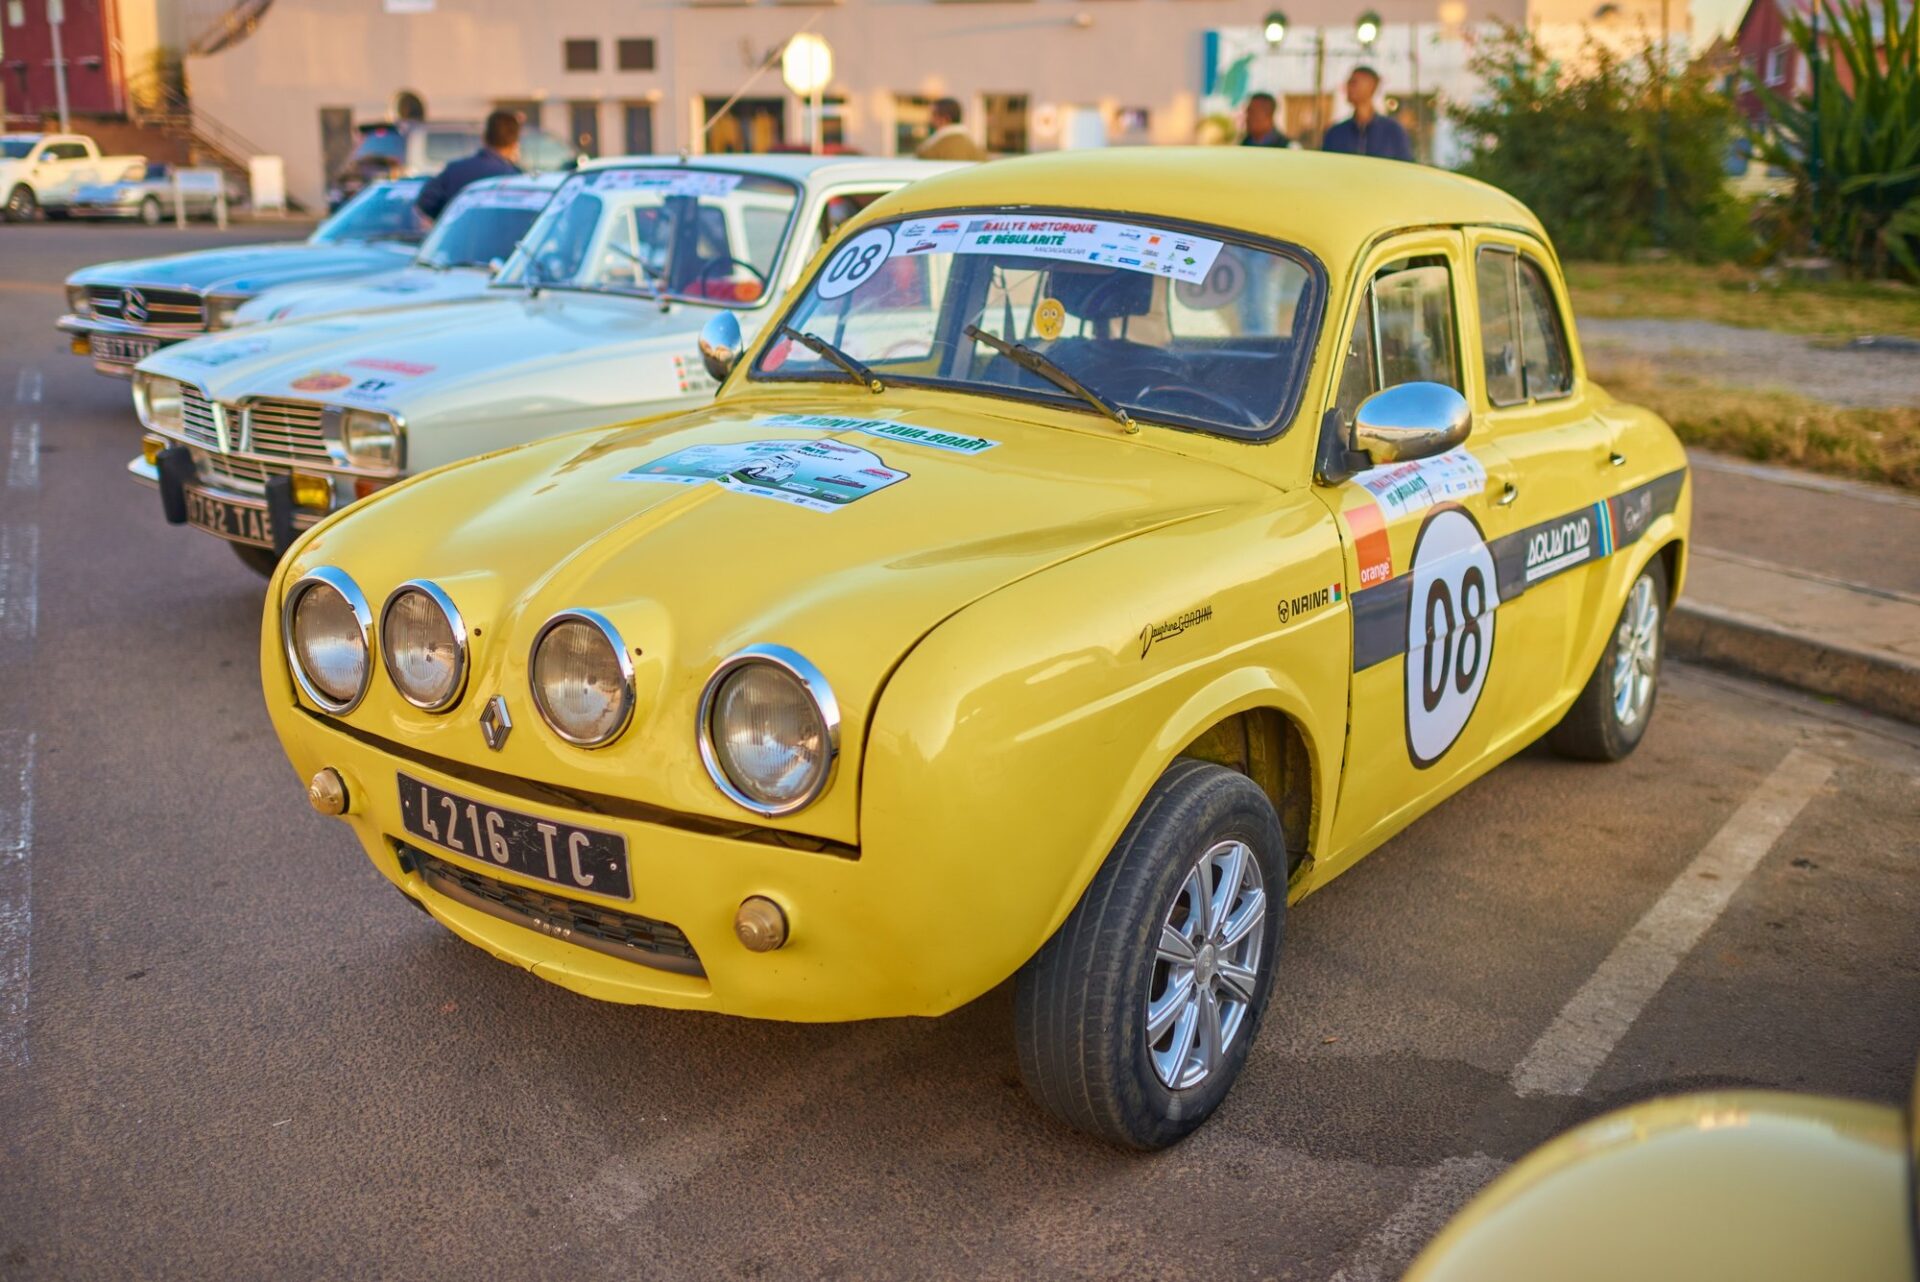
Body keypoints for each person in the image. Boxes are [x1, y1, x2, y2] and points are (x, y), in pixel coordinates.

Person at [416, 110, 522, 222]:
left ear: (484, 137)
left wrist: (449, 222)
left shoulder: (454, 170)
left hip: (458, 237)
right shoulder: (514, 179)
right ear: (515, 144)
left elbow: (426, 202)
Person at [1320, 66, 1414, 161]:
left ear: (1371, 86)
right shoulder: (1336, 133)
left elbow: (1405, 166)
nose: (1348, 87)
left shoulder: (1393, 131)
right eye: (1349, 83)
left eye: (1353, 83)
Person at [915, 99, 987, 162]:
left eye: (933, 115)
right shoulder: (974, 145)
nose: (930, 119)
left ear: (945, 118)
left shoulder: (936, 147)